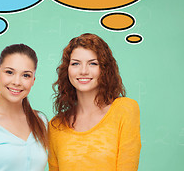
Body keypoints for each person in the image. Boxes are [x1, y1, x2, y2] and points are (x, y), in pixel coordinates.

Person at [48, 33, 141, 171]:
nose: (84, 71)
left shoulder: (125, 110)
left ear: (104, 68)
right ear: (67, 70)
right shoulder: (55, 126)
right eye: (75, 63)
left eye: (93, 63)